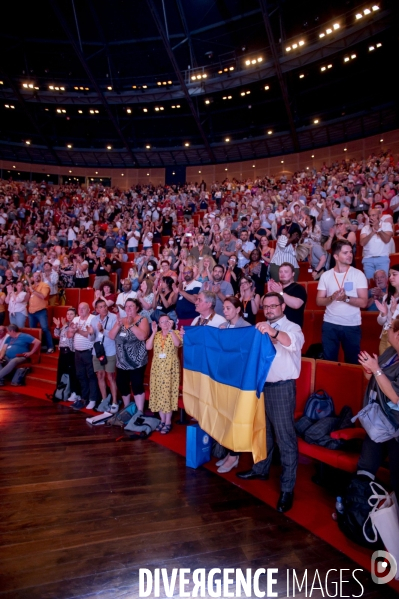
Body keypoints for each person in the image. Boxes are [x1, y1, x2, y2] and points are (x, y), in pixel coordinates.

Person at [236, 292, 304, 513]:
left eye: (273, 306)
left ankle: (287, 489)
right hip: (261, 386)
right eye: (265, 306)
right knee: (262, 432)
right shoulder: (260, 327)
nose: (269, 310)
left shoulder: (293, 327)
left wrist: (273, 331)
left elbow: (290, 342)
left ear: (283, 306)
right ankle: (261, 468)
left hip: (282, 388)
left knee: (285, 437)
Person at [357, 319, 399, 502]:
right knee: (365, 467)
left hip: (395, 424)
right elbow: (373, 377)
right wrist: (369, 368)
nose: (386, 330)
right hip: (379, 419)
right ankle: (357, 510)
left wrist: (376, 370)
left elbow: (396, 396)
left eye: (389, 328)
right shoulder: (391, 352)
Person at [316, 240, 368, 364]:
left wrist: (346, 298)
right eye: (345, 253)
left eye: (351, 252)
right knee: (329, 362)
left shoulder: (358, 274)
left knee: (352, 362)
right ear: (336, 256)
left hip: (352, 325)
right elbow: (319, 301)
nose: (350, 255)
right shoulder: (326, 276)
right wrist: (331, 298)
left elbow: (364, 302)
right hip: (330, 324)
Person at [216, 297, 252, 473]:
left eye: (229, 308)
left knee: (235, 418)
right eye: (224, 308)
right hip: (225, 377)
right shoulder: (224, 326)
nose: (225, 311)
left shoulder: (245, 327)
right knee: (226, 417)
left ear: (238, 309)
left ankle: (234, 455)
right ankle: (230, 452)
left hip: (238, 379)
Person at [108, 298, 149, 411]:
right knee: (122, 384)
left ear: (137, 308)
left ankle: (139, 411)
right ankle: (127, 409)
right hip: (121, 361)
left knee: (137, 385)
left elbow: (143, 336)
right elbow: (111, 336)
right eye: (126, 306)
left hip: (137, 361)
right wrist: (117, 325)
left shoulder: (142, 320)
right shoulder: (121, 320)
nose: (129, 308)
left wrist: (131, 325)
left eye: (131, 306)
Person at [146, 314, 182, 434]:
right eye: (162, 322)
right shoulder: (156, 335)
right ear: (159, 324)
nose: (165, 324)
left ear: (171, 322)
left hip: (170, 368)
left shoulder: (175, 333)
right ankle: (162, 420)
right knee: (159, 393)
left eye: (167, 321)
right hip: (157, 368)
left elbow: (177, 344)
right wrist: (153, 332)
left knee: (168, 394)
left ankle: (168, 422)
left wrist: (171, 330)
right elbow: (148, 346)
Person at [67, 302, 98, 410]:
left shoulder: (93, 318)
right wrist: (72, 330)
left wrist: (78, 330)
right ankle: (85, 397)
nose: (81, 310)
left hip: (89, 351)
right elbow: (69, 335)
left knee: (91, 376)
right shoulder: (75, 319)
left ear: (89, 309)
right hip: (77, 352)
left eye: (83, 308)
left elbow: (91, 335)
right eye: (79, 308)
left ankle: (93, 399)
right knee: (81, 375)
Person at [90, 298, 118, 413]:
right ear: (96, 309)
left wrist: (102, 330)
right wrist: (91, 333)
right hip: (97, 351)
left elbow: (113, 335)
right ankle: (104, 399)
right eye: (100, 307)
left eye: (105, 306)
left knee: (110, 377)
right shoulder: (93, 320)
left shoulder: (114, 318)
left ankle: (115, 402)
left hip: (110, 351)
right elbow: (92, 338)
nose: (104, 308)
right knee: (100, 376)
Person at [268, 262, 307, 327]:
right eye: (280, 272)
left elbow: (296, 304)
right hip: (274, 326)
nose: (282, 274)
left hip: (291, 328)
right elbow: (261, 304)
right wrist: (270, 292)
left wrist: (280, 292)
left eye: (286, 272)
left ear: (293, 274)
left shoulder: (299, 288)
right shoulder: (276, 287)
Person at [53, 308, 80, 402]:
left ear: (76, 315)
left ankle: (74, 391)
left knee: (72, 372)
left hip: (71, 352)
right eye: (67, 314)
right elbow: (57, 335)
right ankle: (61, 390)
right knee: (62, 372)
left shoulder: (77, 325)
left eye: (71, 314)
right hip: (62, 351)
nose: (69, 316)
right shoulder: (65, 326)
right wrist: (57, 325)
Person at [360, 208, 393, 279]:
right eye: (369, 216)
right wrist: (372, 232)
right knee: (370, 283)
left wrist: (378, 229)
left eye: (373, 215)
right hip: (368, 260)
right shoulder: (365, 228)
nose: (371, 217)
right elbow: (362, 243)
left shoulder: (386, 225)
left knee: (383, 283)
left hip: (382, 259)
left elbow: (387, 239)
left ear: (379, 215)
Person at [27, 271, 55, 353]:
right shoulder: (31, 286)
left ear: (40, 277)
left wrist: (33, 290)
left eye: (38, 276)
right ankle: (35, 349)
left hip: (41, 311)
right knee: (33, 330)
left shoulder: (44, 285)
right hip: (31, 311)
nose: (36, 277)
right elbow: (27, 299)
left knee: (45, 328)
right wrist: (28, 288)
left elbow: (43, 296)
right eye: (35, 276)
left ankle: (50, 347)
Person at [375, 265, 399, 355]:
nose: (391, 277)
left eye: (394, 274)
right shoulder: (386, 296)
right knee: (383, 362)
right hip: (385, 334)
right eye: (389, 275)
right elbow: (380, 322)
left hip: (396, 336)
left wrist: (393, 312)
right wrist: (384, 314)